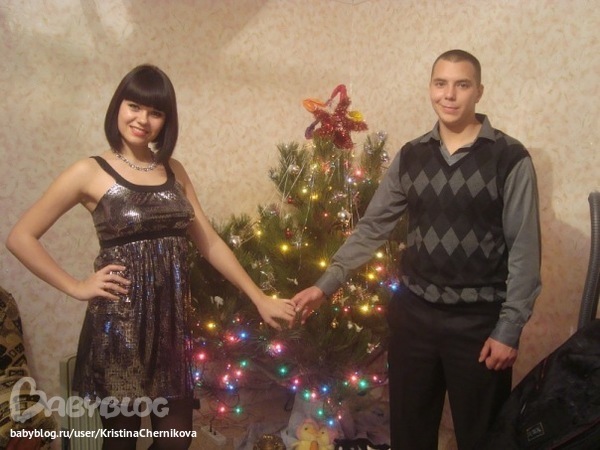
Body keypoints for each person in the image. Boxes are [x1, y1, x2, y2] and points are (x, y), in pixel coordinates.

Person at [5, 64, 296, 450]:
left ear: (166, 121)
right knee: (121, 443)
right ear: (118, 107)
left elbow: (209, 241)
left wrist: (259, 297)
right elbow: (20, 237)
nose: (142, 119)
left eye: (155, 112)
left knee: (176, 440)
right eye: (134, 106)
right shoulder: (88, 171)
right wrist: (76, 286)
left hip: (171, 326)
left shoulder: (174, 170)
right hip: (119, 328)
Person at [292, 49, 541, 450]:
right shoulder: (411, 156)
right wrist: (326, 284)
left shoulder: (510, 158)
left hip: (479, 326)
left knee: (483, 438)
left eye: (462, 85)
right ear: (430, 88)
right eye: (441, 83)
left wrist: (509, 329)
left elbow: (525, 251)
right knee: (410, 435)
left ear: (479, 91)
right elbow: (372, 227)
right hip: (414, 320)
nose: (449, 94)